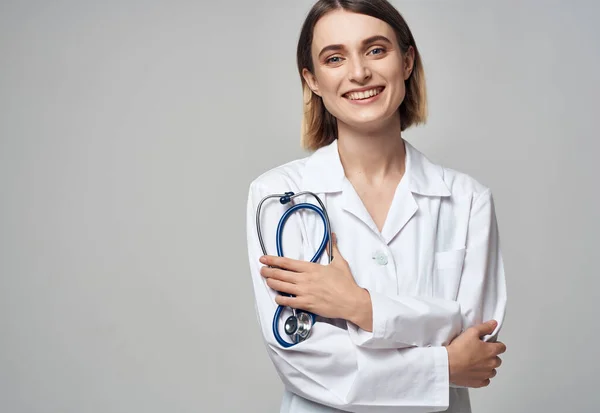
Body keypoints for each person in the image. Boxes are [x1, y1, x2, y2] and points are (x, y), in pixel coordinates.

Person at [245, 1, 507, 412]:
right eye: (335, 58)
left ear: (406, 61)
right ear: (311, 80)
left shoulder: (467, 199)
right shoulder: (281, 196)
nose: (359, 72)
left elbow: (476, 347)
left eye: (375, 50)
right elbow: (301, 358)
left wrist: (358, 306)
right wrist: (441, 365)